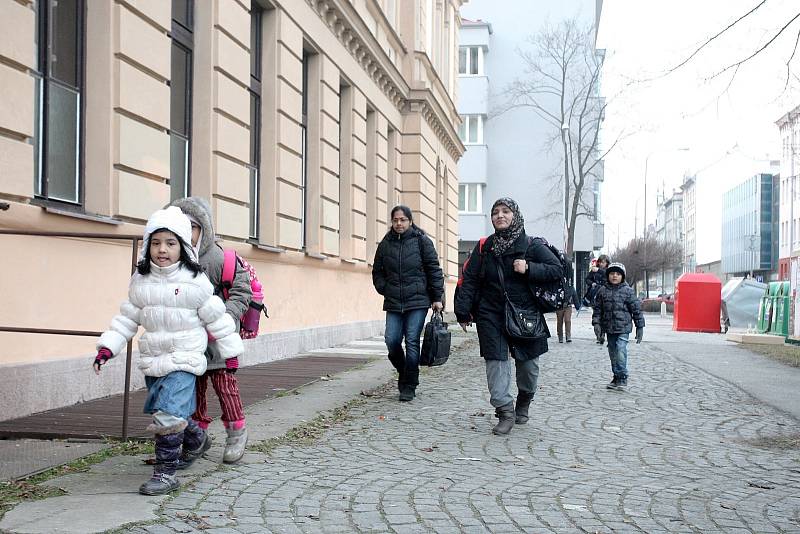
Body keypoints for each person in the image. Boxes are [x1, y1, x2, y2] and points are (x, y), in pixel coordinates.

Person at [93, 207, 243, 495]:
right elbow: (127, 318)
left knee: (169, 416)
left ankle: (165, 474)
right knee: (171, 412)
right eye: (156, 242)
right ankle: (197, 439)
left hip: (185, 358)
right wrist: (108, 348)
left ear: (184, 247)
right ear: (149, 244)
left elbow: (217, 318)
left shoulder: (195, 281)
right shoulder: (140, 281)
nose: (162, 249)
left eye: (171, 243)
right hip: (154, 359)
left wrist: (230, 351)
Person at [454, 198, 562, 435]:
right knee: (496, 362)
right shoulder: (485, 246)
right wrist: (463, 311)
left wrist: (530, 268)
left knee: (529, 366)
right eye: (495, 212)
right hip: (490, 313)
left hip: (525, 314)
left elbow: (557, 269)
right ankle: (504, 410)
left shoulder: (532, 245)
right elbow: (469, 279)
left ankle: (524, 400)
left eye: (505, 211)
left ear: (516, 216)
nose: (500, 216)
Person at [170, 197, 252, 466]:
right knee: (195, 388)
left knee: (224, 386)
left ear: (203, 229)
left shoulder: (220, 258)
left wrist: (225, 319)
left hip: (220, 339)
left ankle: (236, 432)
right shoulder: (173, 260)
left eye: (191, 227)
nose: (186, 233)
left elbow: (242, 292)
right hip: (189, 339)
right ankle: (198, 437)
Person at [372, 205, 444, 402]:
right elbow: (377, 272)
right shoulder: (386, 244)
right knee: (391, 340)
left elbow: (434, 270)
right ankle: (404, 371)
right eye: (395, 220)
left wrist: (437, 298)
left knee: (412, 340)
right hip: (394, 301)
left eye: (403, 220)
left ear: (410, 221)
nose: (399, 223)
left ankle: (409, 385)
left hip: (418, 301)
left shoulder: (422, 241)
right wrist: (384, 288)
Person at [591, 262, 645, 391]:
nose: (615, 276)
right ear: (608, 275)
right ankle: (616, 376)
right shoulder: (602, 291)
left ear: (622, 276)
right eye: (612, 273)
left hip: (623, 328)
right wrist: (597, 324)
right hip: (609, 328)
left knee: (621, 349)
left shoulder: (628, 291)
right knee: (613, 353)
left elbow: (636, 310)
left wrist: (640, 326)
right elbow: (597, 310)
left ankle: (622, 376)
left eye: (618, 274)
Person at [585, 254, 610, 343]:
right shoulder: (594, 270)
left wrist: (599, 270)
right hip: (595, 295)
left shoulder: (608, 271)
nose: (601, 264)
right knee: (596, 315)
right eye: (600, 262)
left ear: (607, 263)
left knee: (604, 316)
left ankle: (602, 334)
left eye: (603, 262)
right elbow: (587, 279)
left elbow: (608, 278)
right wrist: (592, 283)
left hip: (605, 296)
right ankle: (598, 335)